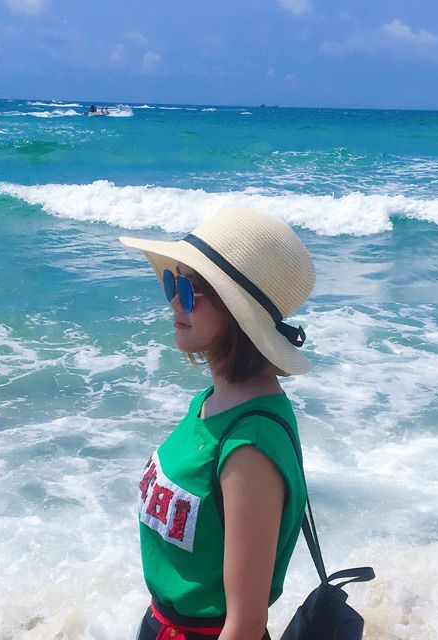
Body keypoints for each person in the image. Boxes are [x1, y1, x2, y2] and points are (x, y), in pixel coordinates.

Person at [119, 205, 316, 640]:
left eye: (191, 290)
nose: (174, 301)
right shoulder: (211, 402)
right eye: (173, 282)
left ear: (236, 311)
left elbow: (245, 625)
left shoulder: (249, 446)